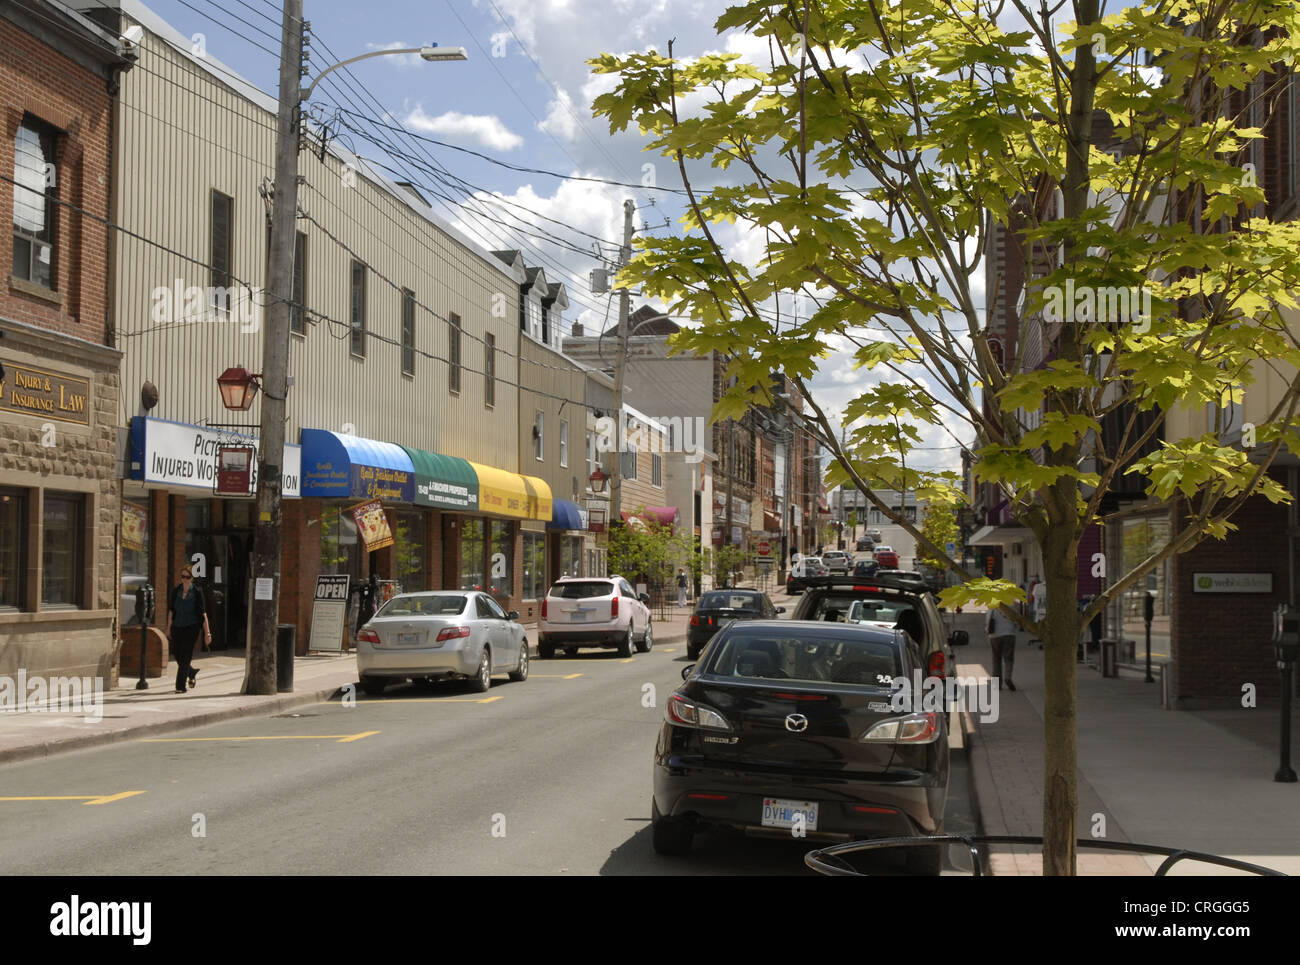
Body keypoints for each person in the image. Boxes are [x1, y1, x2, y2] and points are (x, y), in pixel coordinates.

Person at [166, 566, 211, 693]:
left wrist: (207, 633)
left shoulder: (196, 592)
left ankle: (180, 686)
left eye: (187, 577)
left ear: (192, 578)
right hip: (177, 626)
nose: (184, 579)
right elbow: (171, 610)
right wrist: (168, 627)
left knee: (185, 656)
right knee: (176, 652)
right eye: (183, 577)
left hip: (191, 627)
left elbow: (203, 613)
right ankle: (190, 671)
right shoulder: (176, 591)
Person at [987, 606, 1017, 691]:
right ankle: (1008, 677)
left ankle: (997, 684)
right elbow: (1016, 620)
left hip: (995, 636)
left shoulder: (992, 606)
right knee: (1009, 658)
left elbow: (988, 620)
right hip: (1009, 634)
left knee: (996, 659)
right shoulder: (1012, 605)